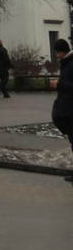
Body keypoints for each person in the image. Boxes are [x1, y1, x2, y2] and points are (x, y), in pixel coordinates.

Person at [52, 40, 73, 183]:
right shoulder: (67, 62)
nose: (58, 55)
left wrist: (59, 84)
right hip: (67, 108)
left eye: (59, 52)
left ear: (64, 51)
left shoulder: (71, 63)